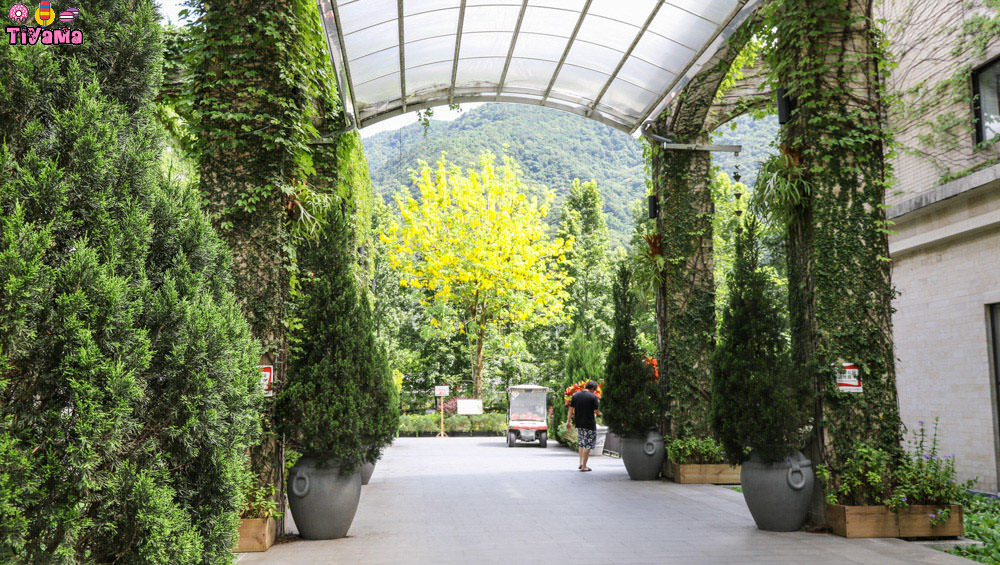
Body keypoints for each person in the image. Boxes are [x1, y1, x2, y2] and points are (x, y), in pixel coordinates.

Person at [566, 381, 599, 472]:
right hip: (589, 424)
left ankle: (581, 463)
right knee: (588, 445)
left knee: (581, 443)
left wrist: (568, 421)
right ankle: (584, 466)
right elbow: (597, 410)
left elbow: (570, 409)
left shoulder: (575, 396)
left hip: (579, 423)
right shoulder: (593, 397)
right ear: (592, 389)